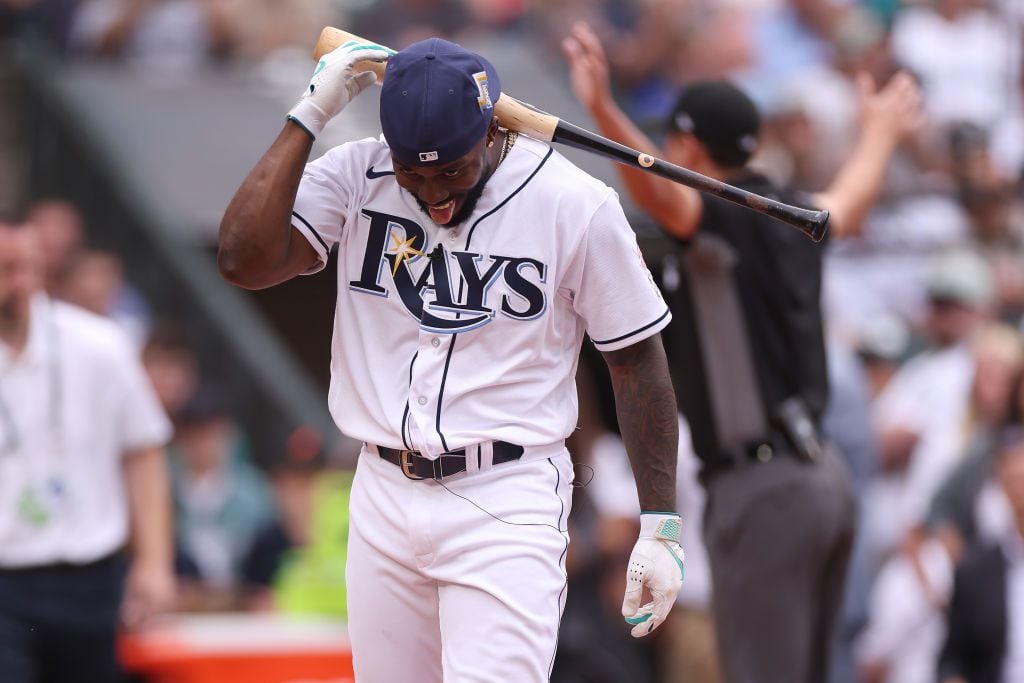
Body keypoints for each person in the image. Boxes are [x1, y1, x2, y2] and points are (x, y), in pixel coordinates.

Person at [217, 37, 684, 681]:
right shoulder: (359, 172)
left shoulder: (574, 202)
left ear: (492, 129)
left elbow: (636, 358)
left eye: (452, 171)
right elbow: (243, 259)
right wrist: (309, 114)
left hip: (506, 494)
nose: (434, 193)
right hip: (382, 487)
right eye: (414, 172)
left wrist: (660, 523)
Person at [562, 20, 922, 683]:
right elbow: (852, 199)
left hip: (763, 490)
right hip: (821, 479)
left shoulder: (719, 216)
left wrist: (604, 110)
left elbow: (659, 194)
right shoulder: (793, 208)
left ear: (689, 145)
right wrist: (879, 132)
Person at [0, 220, 175, 682]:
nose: (16, 284)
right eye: (3, 270)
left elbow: (144, 450)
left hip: (91, 575)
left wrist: (155, 563)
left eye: (22, 268)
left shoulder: (99, 343)